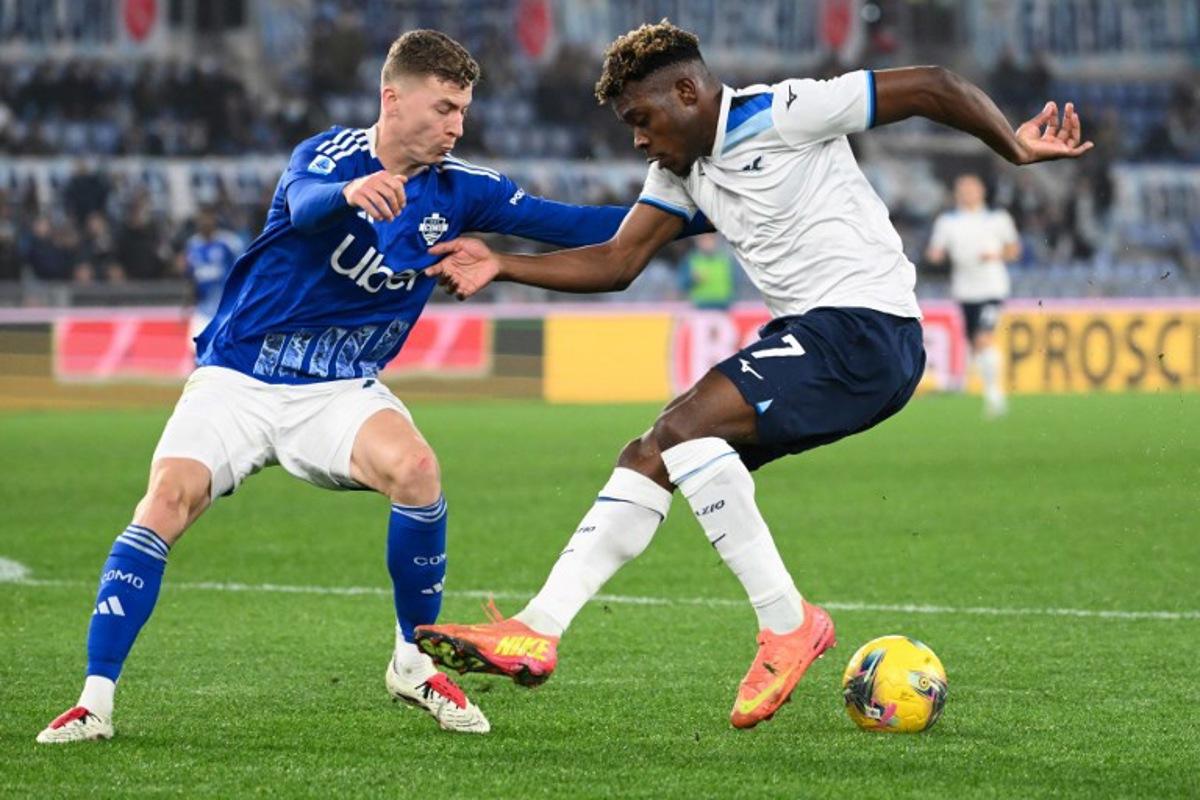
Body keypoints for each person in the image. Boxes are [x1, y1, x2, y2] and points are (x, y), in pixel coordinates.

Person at [415, 20, 1091, 729]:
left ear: (687, 90)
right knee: (650, 455)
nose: (639, 139)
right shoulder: (679, 172)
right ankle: (539, 627)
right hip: (813, 335)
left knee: (683, 428)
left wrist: (1012, 147)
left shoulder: (786, 110)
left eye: (642, 120)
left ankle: (788, 623)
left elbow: (932, 86)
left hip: (867, 330)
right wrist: (502, 262)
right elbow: (616, 262)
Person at [36, 29, 705, 745]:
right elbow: (304, 203)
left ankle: (412, 664)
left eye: (464, 111)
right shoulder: (328, 157)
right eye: (444, 107)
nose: (457, 125)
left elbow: (577, 225)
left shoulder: (463, 190)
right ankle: (93, 701)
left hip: (338, 390)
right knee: (165, 502)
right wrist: (351, 192)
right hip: (240, 376)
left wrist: (700, 214)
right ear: (393, 99)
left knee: (417, 470)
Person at [926, 174, 1021, 417]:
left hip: (991, 287)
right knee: (975, 346)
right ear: (957, 193)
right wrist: (935, 256)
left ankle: (995, 396)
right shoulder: (947, 222)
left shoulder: (998, 219)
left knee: (983, 339)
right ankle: (983, 389)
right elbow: (935, 251)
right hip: (964, 290)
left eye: (972, 189)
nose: (968, 193)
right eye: (963, 189)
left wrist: (996, 255)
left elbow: (1013, 250)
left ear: (981, 192)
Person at [181, 206, 242, 348]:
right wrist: (187, 302)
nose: (205, 224)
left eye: (208, 220)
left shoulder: (228, 243)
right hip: (203, 308)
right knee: (196, 349)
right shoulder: (193, 245)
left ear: (214, 221)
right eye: (202, 220)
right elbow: (191, 278)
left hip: (226, 307)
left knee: (223, 348)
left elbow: (242, 270)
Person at [684, 232, 736, 309]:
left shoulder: (725, 259)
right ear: (698, 242)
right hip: (700, 306)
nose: (707, 242)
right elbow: (682, 283)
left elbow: (736, 282)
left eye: (710, 239)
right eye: (704, 239)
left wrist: (733, 299)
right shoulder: (690, 260)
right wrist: (693, 279)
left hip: (723, 306)